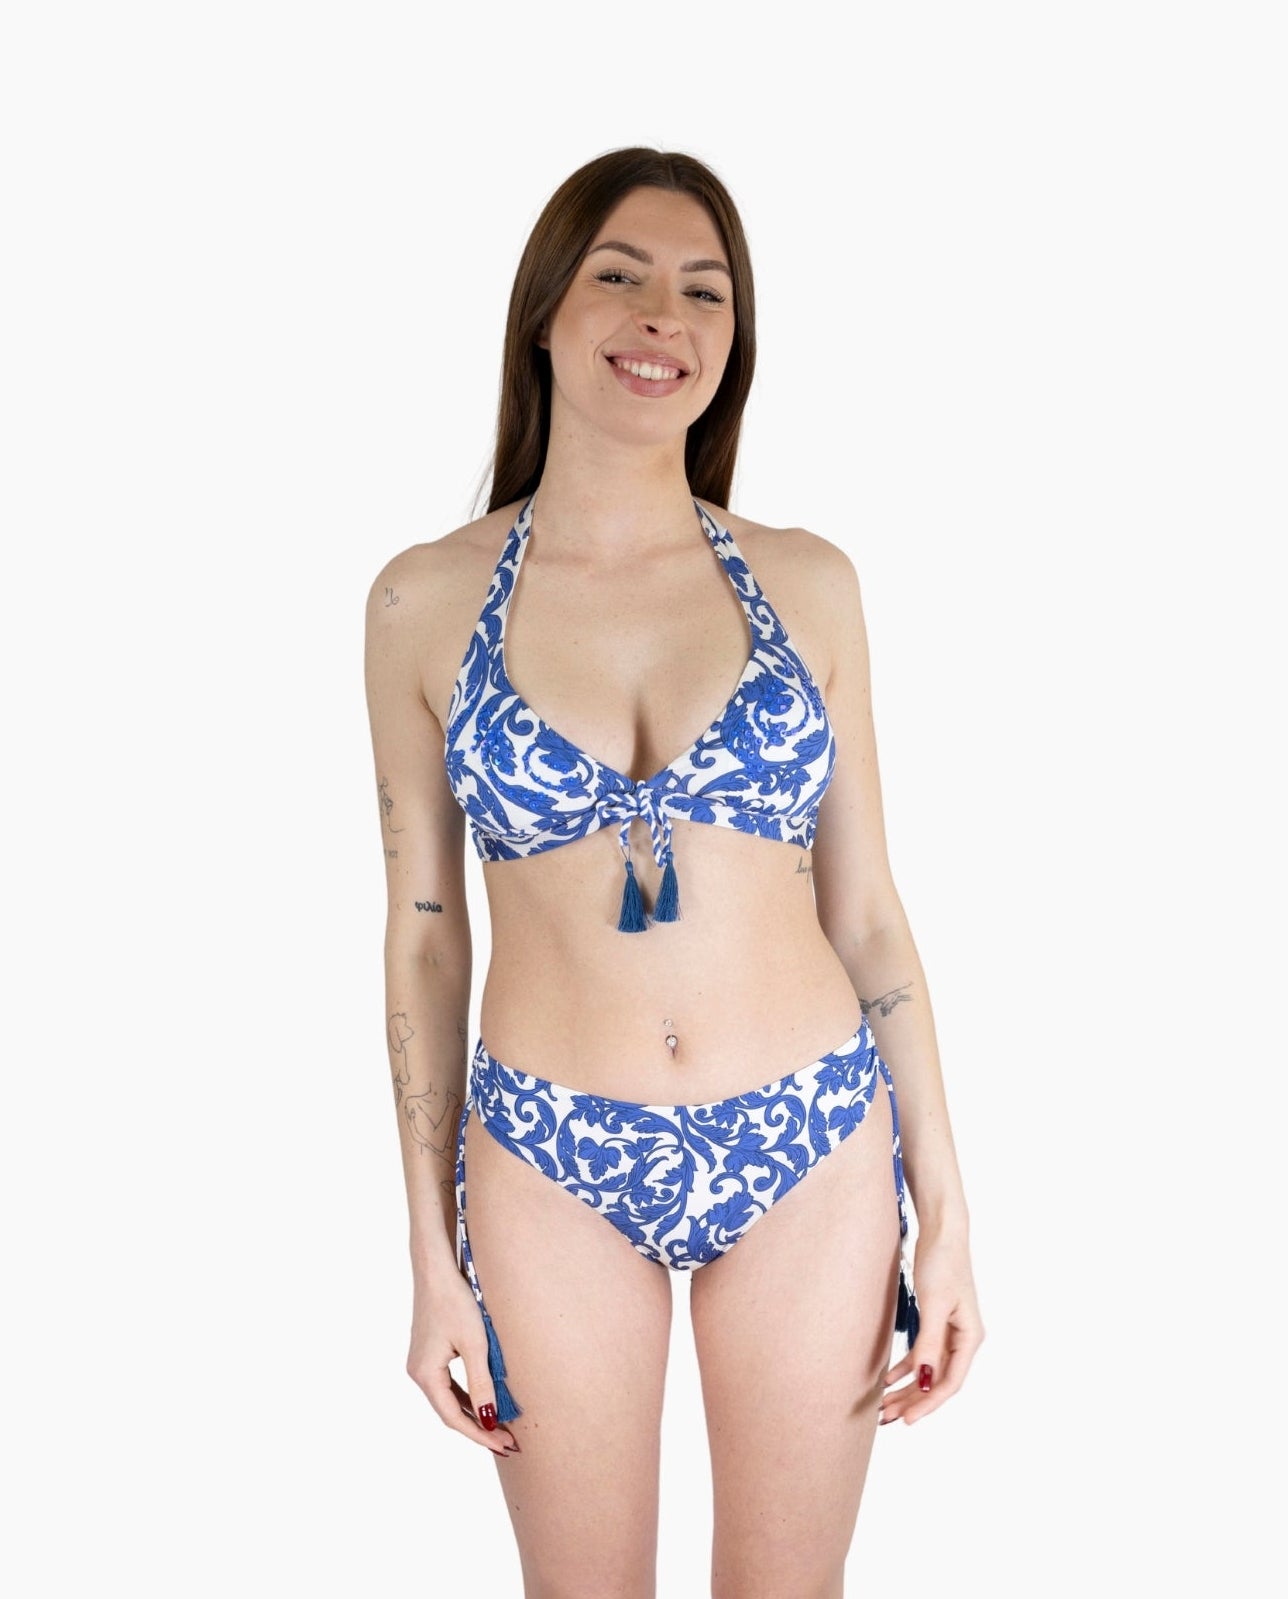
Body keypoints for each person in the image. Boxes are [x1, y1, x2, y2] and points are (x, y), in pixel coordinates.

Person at [364, 147, 983, 1596]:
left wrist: (947, 1209)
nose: (665, 318)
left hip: (810, 1139)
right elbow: (424, 934)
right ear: (546, 311)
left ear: (734, 340)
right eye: (622, 276)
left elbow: (868, 912)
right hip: (550, 1157)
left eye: (706, 292)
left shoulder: (808, 583)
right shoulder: (422, 601)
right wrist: (428, 1249)